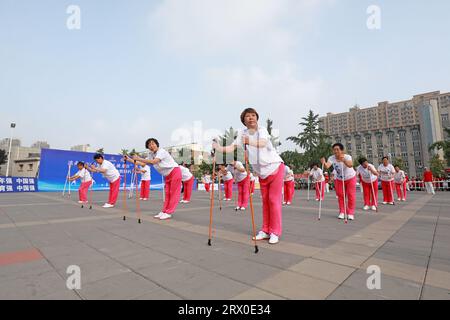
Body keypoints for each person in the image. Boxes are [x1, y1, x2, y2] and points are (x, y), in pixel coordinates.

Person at [213, 108, 284, 244]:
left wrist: (248, 141)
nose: (251, 118)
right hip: (262, 173)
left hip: (275, 167)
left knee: (273, 201)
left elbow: (262, 143)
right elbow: (231, 148)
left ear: (257, 118)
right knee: (265, 202)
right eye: (247, 116)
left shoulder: (262, 130)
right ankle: (265, 230)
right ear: (243, 120)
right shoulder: (242, 133)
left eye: (253, 115)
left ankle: (275, 232)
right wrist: (218, 147)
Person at [131, 138, 182, 220]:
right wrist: (130, 159)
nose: (151, 146)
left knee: (173, 193)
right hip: (167, 175)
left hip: (174, 172)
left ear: (157, 144)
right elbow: (143, 163)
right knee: (167, 193)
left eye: (153, 143)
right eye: (149, 145)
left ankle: (169, 212)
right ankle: (164, 211)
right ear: (147, 147)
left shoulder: (161, 151)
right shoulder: (151, 154)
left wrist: (138, 158)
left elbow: (154, 162)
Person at [321, 143, 357, 221]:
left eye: (337, 149)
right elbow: (327, 166)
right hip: (340, 179)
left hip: (350, 177)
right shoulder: (331, 158)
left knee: (351, 195)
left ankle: (350, 213)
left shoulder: (347, 156)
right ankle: (342, 212)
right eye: (334, 150)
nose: (335, 151)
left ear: (342, 150)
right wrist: (323, 162)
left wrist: (343, 160)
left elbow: (350, 165)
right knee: (340, 195)